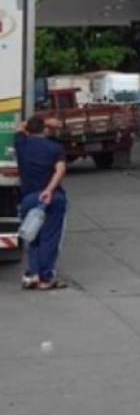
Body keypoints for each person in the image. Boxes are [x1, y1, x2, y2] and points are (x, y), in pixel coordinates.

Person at [15, 116, 69, 291]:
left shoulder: (21, 144)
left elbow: (20, 126)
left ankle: (33, 274)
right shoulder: (55, 148)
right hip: (54, 198)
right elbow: (60, 170)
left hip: (29, 198)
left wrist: (43, 122)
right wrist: (49, 190)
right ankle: (46, 278)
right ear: (44, 130)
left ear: (28, 130)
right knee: (50, 238)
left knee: (33, 237)